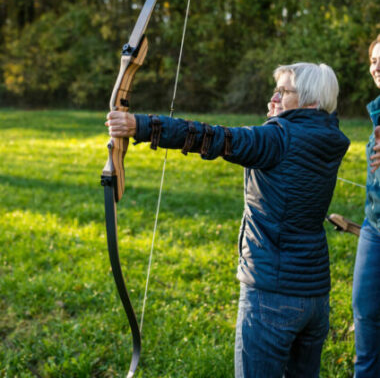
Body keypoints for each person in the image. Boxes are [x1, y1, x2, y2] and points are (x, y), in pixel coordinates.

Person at [106, 62, 350, 378]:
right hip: (316, 297)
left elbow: (215, 137)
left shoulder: (277, 138)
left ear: (311, 101)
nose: (273, 98)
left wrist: (139, 125)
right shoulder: (331, 138)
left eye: (283, 92)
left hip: (271, 295)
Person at [352, 35, 380, 377]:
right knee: (365, 313)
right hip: (374, 226)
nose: (376, 67)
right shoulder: (377, 110)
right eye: (373, 60)